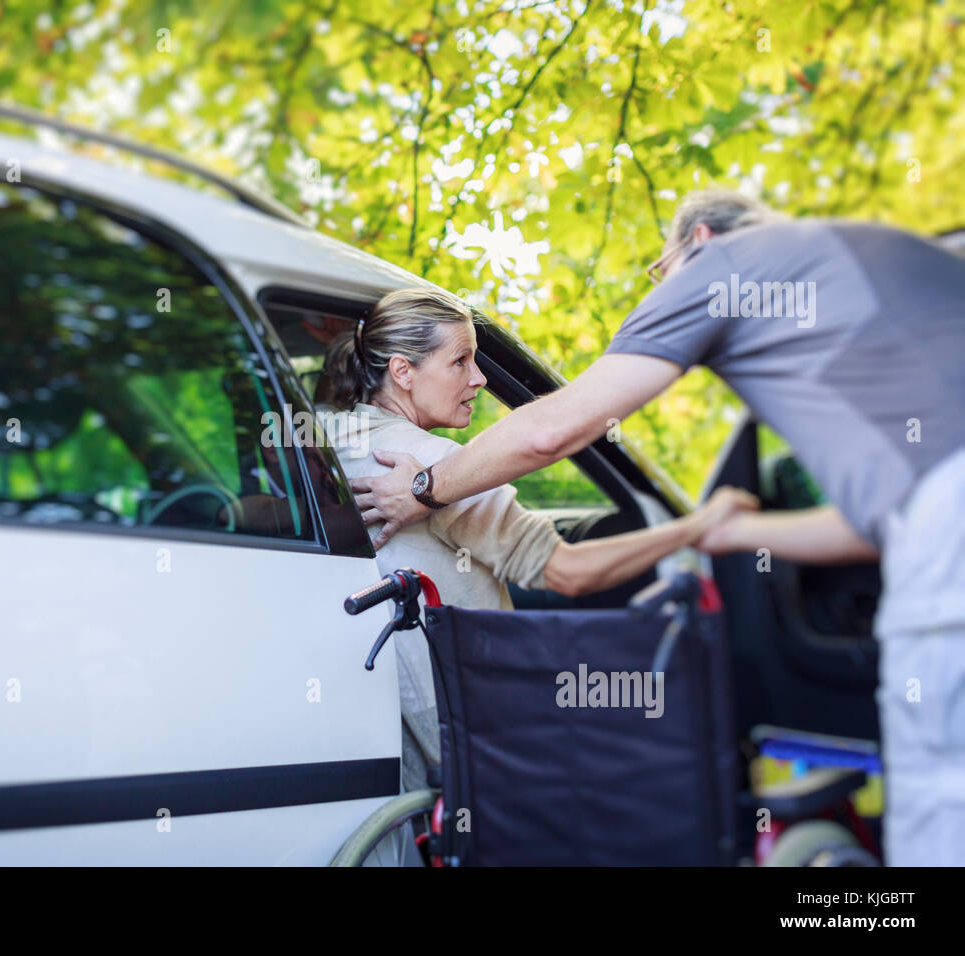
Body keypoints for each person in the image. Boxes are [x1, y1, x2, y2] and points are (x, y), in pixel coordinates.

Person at [350, 192, 965, 866]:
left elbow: (555, 429)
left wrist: (422, 488)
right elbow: (874, 527)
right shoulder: (876, 253)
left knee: (943, 804)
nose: (663, 292)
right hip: (934, 527)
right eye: (460, 363)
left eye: (659, 272)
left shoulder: (722, 265)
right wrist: (717, 534)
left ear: (697, 239)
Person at [315, 286, 758, 793]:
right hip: (476, 732)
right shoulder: (437, 466)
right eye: (461, 361)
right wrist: (697, 527)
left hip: (394, 728)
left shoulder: (328, 440)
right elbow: (568, 573)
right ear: (402, 371)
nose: (479, 378)